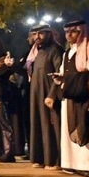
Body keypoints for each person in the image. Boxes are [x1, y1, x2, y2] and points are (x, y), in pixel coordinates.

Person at [52, 20, 89, 175]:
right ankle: (70, 163)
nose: (69, 35)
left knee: (86, 127)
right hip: (70, 94)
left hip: (85, 95)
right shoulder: (67, 52)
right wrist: (59, 78)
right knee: (69, 126)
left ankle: (87, 165)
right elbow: (64, 72)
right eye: (67, 32)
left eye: (73, 31)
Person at [27, 25, 65, 169]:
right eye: (34, 34)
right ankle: (40, 158)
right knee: (37, 124)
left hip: (49, 94)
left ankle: (54, 160)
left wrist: (52, 95)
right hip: (36, 94)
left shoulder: (56, 50)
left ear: (49, 34)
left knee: (51, 127)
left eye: (41, 33)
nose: (37, 37)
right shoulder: (38, 52)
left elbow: (59, 74)